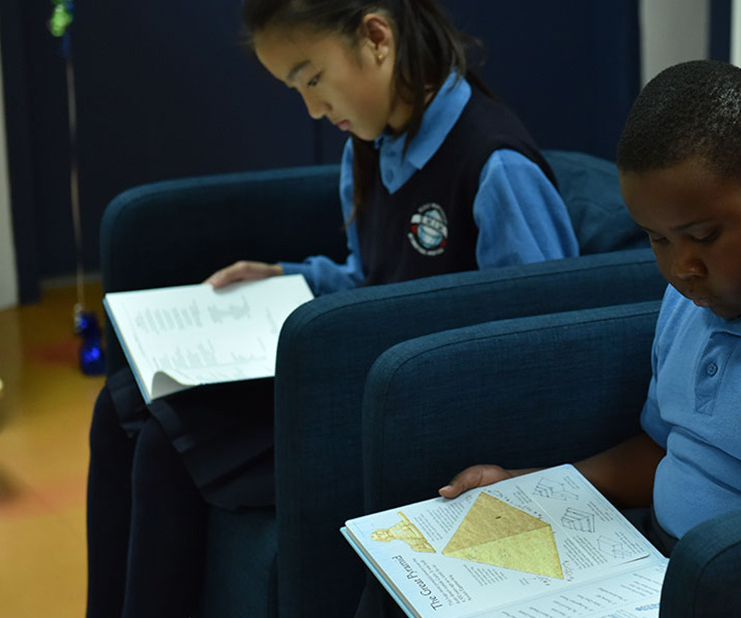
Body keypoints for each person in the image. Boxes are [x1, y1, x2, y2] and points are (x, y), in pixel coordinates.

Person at [353, 59, 741, 615]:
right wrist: (534, 483)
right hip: (653, 567)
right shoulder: (700, 293)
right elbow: (670, 450)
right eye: (657, 238)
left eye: (703, 236)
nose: (680, 268)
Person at [86, 1, 578, 616]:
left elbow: (550, 338)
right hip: (356, 381)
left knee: (166, 447)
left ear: (377, 37)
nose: (314, 109)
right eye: (296, 89)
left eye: (312, 78)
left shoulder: (496, 166)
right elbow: (367, 277)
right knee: (118, 407)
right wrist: (286, 278)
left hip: (410, 419)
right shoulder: (369, 144)